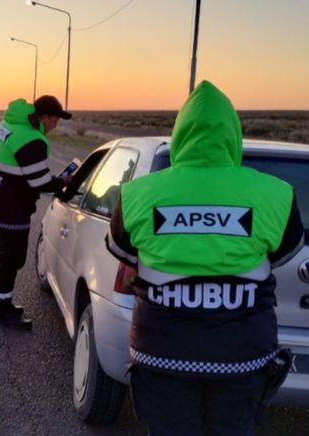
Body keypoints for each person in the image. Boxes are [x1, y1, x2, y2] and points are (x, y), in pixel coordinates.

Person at [106, 81, 304, 435]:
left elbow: (122, 248)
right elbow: (285, 251)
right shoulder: (277, 195)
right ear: (234, 135)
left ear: (180, 134)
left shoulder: (137, 194)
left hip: (161, 353)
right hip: (243, 357)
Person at [0, 95, 72, 330]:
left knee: (1, 253)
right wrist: (64, 182)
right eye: (55, 120)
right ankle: (3, 311)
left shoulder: (4, 126)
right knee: (12, 258)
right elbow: (39, 182)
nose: (55, 125)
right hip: (12, 208)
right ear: (44, 117)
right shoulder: (32, 139)